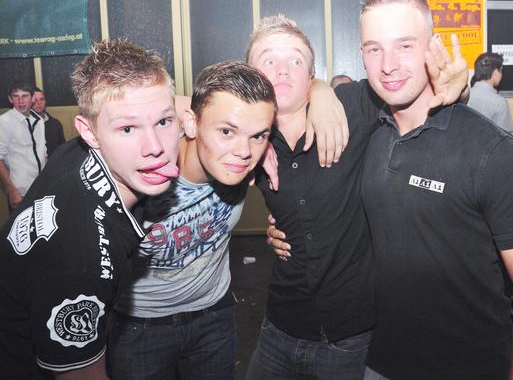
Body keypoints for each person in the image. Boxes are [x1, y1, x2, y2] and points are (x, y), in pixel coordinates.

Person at [357, 0, 513, 380]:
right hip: (379, 362)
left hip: (470, 366)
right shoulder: (368, 135)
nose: (388, 65)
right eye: (373, 49)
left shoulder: (492, 152)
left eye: (404, 46)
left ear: (432, 47)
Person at [249, 12, 467, 379]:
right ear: (250, 76)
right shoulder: (243, 141)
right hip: (279, 326)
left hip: (348, 336)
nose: (283, 69)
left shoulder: (351, 106)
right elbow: (174, 109)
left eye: (295, 61)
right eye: (269, 60)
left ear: (310, 75)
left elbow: (414, 88)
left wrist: (460, 88)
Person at [108, 59, 345, 380]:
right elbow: (133, 107)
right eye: (226, 132)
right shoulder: (144, 167)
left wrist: (321, 91)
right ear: (190, 124)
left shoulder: (245, 159)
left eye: (257, 136)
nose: (243, 151)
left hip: (214, 318)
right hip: (140, 326)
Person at [0, 39, 181, 380]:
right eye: (127, 129)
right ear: (90, 132)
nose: (155, 147)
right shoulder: (84, 260)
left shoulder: (75, 152)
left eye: (164, 122)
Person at [0, 82, 46, 211]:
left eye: (24, 96)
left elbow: (44, 154)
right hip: (20, 192)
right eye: (16, 96)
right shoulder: (4, 121)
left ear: (32, 98)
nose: (20, 101)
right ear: (10, 99)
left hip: (41, 188)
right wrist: (12, 190)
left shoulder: (39, 121)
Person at [467, 52, 513, 132]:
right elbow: (505, 136)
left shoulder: (464, 97)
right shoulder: (500, 103)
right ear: (495, 73)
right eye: (501, 71)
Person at [32, 87, 67, 157]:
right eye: (35, 100)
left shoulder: (55, 123)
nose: (38, 103)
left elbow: (63, 148)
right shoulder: (25, 124)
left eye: (41, 99)